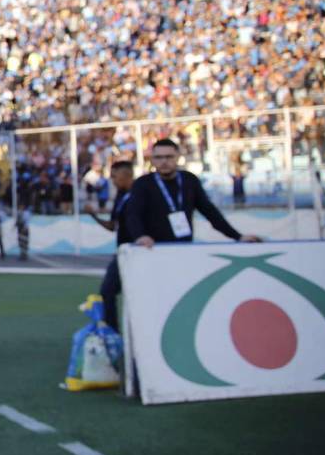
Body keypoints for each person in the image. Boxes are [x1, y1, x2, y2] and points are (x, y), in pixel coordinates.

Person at [126, 139, 262, 249]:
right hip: (153, 248)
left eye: (169, 156)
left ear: (178, 157)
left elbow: (209, 211)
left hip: (185, 248)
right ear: (152, 160)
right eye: (158, 157)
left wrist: (238, 236)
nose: (164, 161)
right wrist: (140, 236)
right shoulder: (142, 183)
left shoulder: (189, 180)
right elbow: (133, 214)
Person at [84, 161, 135, 329]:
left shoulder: (140, 195)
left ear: (127, 174)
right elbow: (113, 226)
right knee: (107, 291)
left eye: (115, 176)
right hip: (123, 252)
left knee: (135, 294)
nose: (112, 180)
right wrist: (93, 216)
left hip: (140, 252)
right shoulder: (121, 195)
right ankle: (112, 332)